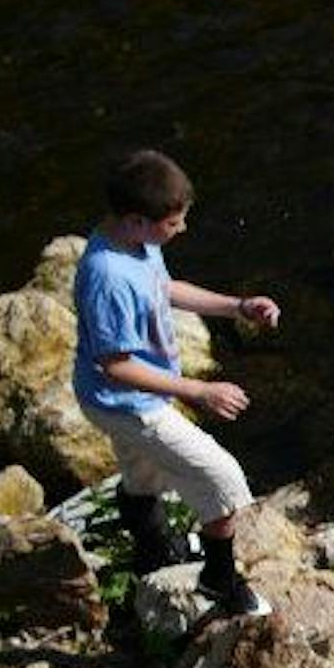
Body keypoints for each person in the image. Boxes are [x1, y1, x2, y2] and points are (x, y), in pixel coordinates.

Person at [72, 149, 277, 617]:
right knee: (221, 478)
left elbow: (164, 289)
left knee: (143, 474)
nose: (181, 230)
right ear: (136, 220)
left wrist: (238, 306)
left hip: (119, 397)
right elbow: (115, 365)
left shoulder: (137, 245)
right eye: (173, 223)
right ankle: (219, 582)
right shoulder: (106, 276)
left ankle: (150, 549)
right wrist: (200, 391)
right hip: (126, 401)